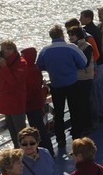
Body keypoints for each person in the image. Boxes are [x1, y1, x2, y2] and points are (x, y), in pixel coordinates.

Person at [37, 26, 88, 156]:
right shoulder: (71, 48)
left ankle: (60, 138)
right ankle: (76, 139)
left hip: (56, 85)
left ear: (51, 36)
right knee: (75, 110)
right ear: (62, 35)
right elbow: (83, 62)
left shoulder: (45, 50)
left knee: (58, 113)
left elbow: (39, 65)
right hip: (72, 83)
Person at [0, 40, 28, 138]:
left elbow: (14, 82)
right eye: (2, 50)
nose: (3, 52)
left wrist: (4, 67)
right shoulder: (2, 62)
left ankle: (25, 152)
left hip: (16, 103)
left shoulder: (21, 63)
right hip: (6, 102)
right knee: (13, 133)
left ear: (12, 50)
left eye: (5, 50)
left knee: (21, 133)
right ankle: (16, 152)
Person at [65, 18, 98, 135]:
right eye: (69, 35)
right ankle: (79, 125)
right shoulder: (71, 47)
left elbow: (85, 62)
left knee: (84, 102)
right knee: (77, 103)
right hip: (76, 78)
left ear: (78, 35)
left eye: (72, 35)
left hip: (85, 78)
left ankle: (87, 125)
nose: (70, 38)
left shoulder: (86, 46)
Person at [20, 46, 51, 151]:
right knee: (39, 127)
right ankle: (45, 148)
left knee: (38, 129)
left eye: (23, 56)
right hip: (35, 102)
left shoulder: (30, 70)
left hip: (32, 104)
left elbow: (31, 88)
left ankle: (46, 149)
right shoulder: (35, 68)